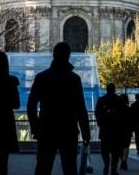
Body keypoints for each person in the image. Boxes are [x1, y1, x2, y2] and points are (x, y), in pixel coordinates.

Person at [27, 41, 91, 175]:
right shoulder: (74, 79)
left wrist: (36, 127)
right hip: (68, 130)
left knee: (43, 168)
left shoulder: (42, 77)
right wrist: (86, 132)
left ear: (54, 55)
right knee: (70, 168)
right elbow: (80, 107)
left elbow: (31, 105)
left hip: (46, 129)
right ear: (68, 56)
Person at [95, 83, 124, 175]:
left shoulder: (101, 100)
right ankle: (113, 169)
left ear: (106, 89)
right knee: (116, 150)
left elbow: (97, 113)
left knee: (104, 150)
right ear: (114, 89)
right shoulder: (119, 100)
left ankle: (106, 164)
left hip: (105, 129)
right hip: (116, 129)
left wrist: (100, 122)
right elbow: (123, 114)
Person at [118, 94, 132, 170]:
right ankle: (124, 160)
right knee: (126, 147)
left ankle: (122, 160)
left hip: (120, 130)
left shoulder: (118, 109)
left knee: (120, 146)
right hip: (127, 130)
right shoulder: (128, 109)